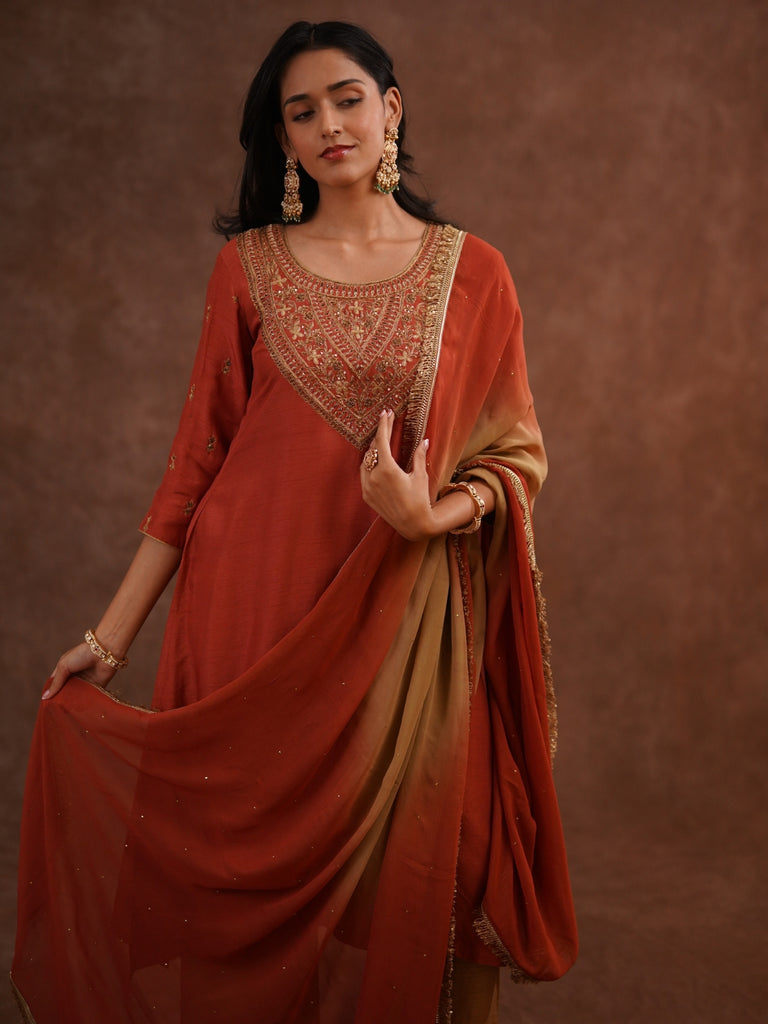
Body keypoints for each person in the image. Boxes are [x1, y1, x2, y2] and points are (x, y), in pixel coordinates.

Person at [11, 20, 577, 1024]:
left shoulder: (474, 270)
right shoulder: (248, 266)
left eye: (348, 98)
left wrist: (427, 512)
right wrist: (109, 638)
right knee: (246, 897)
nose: (328, 124)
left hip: (405, 620)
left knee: (456, 858)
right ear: (282, 140)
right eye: (300, 111)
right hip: (249, 611)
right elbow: (195, 466)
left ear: (391, 108)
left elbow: (516, 451)